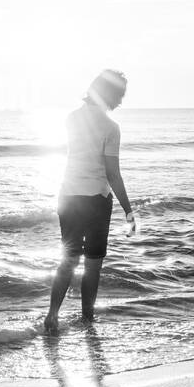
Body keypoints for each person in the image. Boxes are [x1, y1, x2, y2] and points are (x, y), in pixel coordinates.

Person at [44, 69, 135, 335]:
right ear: (110, 94)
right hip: (96, 200)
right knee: (93, 264)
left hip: (68, 196)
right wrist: (129, 211)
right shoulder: (111, 128)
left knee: (68, 259)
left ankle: (52, 316)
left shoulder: (71, 118)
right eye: (120, 95)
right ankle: (87, 320)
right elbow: (112, 174)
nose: (120, 102)